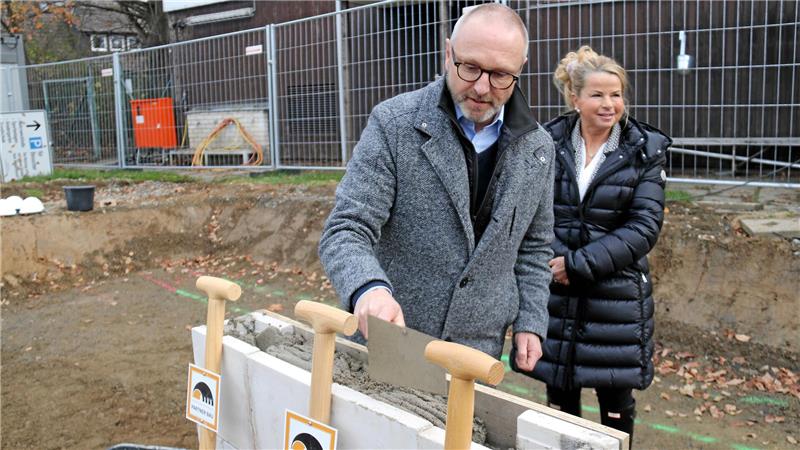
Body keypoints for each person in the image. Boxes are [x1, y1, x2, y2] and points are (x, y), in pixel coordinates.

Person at [318, 3, 555, 368]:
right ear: (448, 53)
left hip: (475, 354)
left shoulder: (539, 149)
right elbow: (346, 227)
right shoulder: (394, 125)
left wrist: (531, 320)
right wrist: (369, 288)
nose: (481, 87)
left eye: (499, 75)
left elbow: (534, 248)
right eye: (470, 67)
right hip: (394, 338)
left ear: (520, 69)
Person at [511, 45, 671, 443]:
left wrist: (578, 264)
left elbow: (644, 226)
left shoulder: (643, 151)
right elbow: (528, 208)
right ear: (575, 99)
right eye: (597, 94)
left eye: (616, 94)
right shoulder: (546, 143)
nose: (609, 104)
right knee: (560, 398)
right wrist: (550, 261)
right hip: (554, 292)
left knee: (615, 405)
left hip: (614, 299)